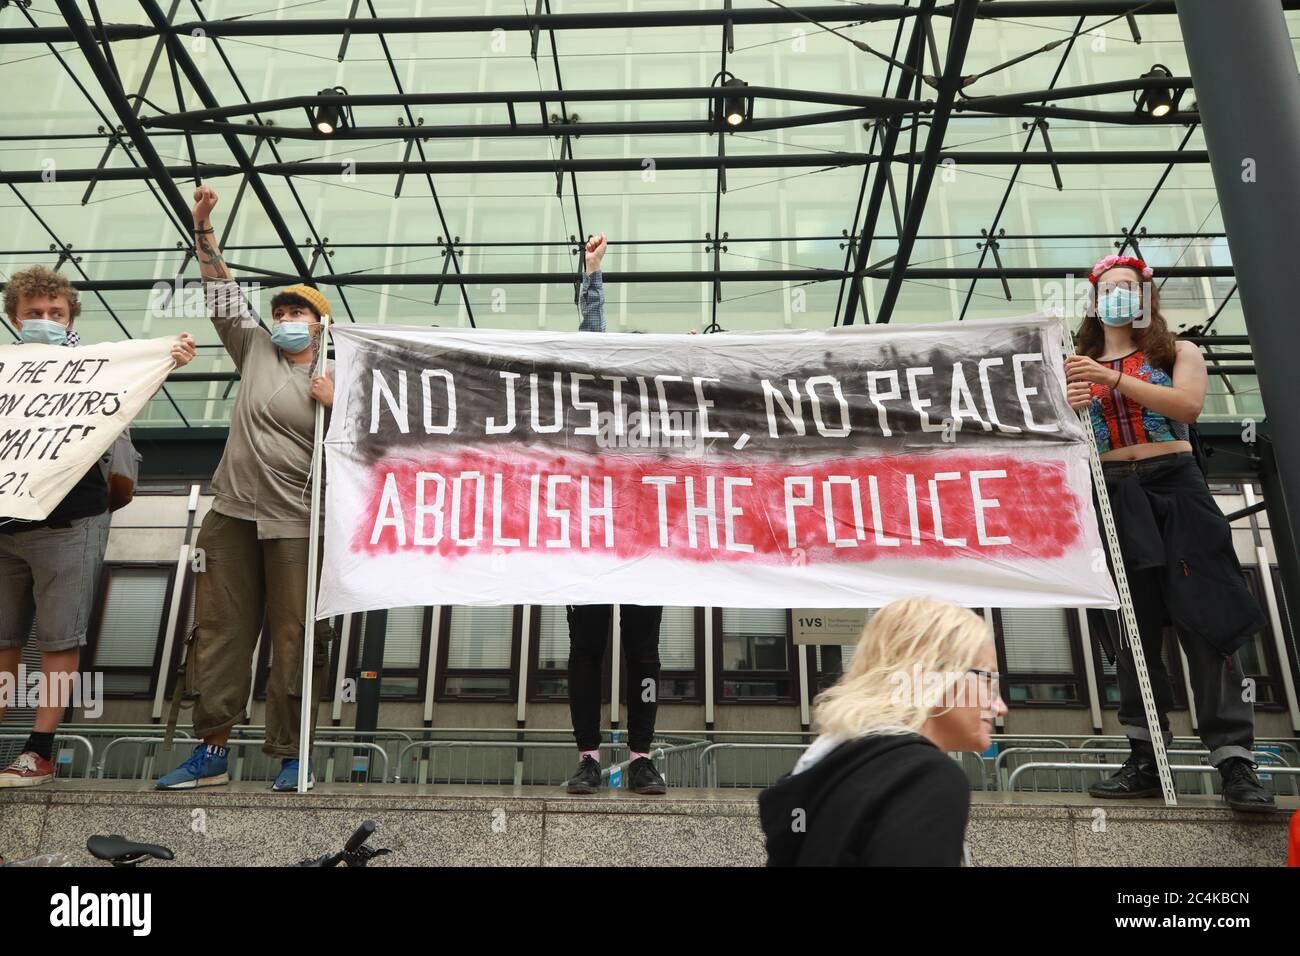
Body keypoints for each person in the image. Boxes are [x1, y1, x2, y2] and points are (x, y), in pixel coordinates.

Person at [1066, 253, 1273, 812]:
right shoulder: (1073, 364)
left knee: (1207, 618)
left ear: (1145, 294)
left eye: (1128, 287)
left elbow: (1187, 405)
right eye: (1109, 288)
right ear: (1093, 299)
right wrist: (1070, 400)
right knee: (1132, 629)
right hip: (1111, 490)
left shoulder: (1178, 351)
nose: (1118, 296)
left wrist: (1110, 378)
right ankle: (1145, 756)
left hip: (1175, 484)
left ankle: (1234, 761)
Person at [155, 185, 334, 792]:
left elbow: (371, 445)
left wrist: (340, 406)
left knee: (294, 637)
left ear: (321, 324)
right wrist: (202, 227)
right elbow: (220, 290)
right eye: (280, 312)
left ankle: (292, 754)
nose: (285, 321)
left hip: (299, 521)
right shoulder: (253, 346)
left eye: (297, 314)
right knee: (221, 630)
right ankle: (212, 750)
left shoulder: (343, 378)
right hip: (231, 513)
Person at [0, 265, 195, 788]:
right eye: (34, 314)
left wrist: (163, 360)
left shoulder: (95, 367)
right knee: (3, 641)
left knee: (61, 639)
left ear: (69, 318)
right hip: (3, 526)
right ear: (13, 318)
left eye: (55, 314)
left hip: (71, 520)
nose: (45, 321)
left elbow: (127, 391)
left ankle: (39, 749)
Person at [758, 597, 1006, 866]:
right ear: (936, 675)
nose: (1000, 706)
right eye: (989, 679)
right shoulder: (923, 776)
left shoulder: (824, 769)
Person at [562, 233, 669, 796]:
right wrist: (593, 276)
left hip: (646, 539)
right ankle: (588, 759)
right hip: (589, 539)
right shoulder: (595, 395)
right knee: (586, 650)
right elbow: (590, 345)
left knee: (644, 654)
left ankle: (640, 760)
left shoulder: (667, 413)